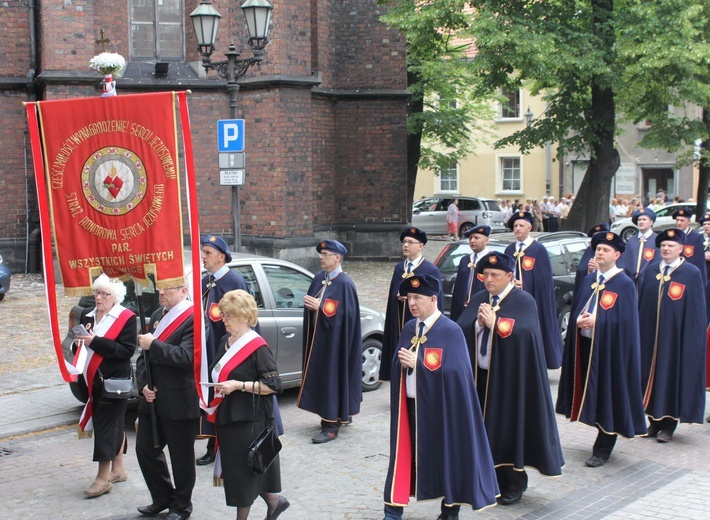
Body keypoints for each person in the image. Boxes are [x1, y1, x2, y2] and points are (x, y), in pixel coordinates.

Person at [383, 274, 498, 519]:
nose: (412, 303)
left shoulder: (450, 331)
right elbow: (396, 363)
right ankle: (392, 510)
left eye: (418, 298)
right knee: (403, 456)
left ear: (433, 299)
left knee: (447, 457)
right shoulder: (408, 328)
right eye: (410, 298)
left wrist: (420, 363)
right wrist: (403, 364)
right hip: (412, 408)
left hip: (442, 411)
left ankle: (450, 509)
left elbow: (458, 374)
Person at [458, 252, 564, 506]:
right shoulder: (480, 298)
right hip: (481, 377)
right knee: (483, 430)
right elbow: (461, 326)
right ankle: (487, 479)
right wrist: (478, 325)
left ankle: (514, 483)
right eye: (486, 275)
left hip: (510, 380)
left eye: (495, 275)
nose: (489, 280)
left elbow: (526, 333)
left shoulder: (523, 300)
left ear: (509, 276)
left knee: (507, 430)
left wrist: (497, 324)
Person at [556, 232, 647, 467]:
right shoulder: (589, 280)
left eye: (606, 250)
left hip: (610, 351)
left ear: (617, 255)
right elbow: (578, 308)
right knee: (592, 391)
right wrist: (579, 320)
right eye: (598, 249)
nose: (600, 252)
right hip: (587, 345)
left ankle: (603, 446)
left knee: (609, 393)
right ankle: (593, 423)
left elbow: (627, 322)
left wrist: (597, 322)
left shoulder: (624, 283)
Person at [207, 290, 289, 520]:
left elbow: (274, 385)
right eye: (223, 314)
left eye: (229, 315)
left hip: (251, 419)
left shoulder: (257, 347)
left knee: (243, 474)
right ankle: (275, 501)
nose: (223, 319)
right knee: (240, 472)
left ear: (244, 316)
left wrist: (239, 385)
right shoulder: (226, 341)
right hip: (229, 416)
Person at [135, 283, 198, 520]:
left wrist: (155, 345)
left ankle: (182, 506)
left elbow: (187, 357)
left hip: (180, 398)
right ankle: (163, 497)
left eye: (168, 289)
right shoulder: (155, 315)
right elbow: (143, 356)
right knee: (145, 450)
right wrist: (143, 385)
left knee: (181, 457)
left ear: (183, 291)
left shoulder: (193, 317)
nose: (161, 293)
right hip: (153, 398)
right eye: (159, 289)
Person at [637, 229, 707, 443]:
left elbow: (696, 310)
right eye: (663, 246)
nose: (666, 249)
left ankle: (669, 424)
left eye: (671, 246)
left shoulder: (691, 273)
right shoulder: (650, 272)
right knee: (650, 377)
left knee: (671, 377)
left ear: (680, 249)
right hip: (650, 337)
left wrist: (692, 339)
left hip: (675, 339)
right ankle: (653, 421)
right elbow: (640, 306)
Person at [74, 274, 137, 497]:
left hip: (114, 381)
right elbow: (80, 346)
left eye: (104, 294)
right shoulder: (88, 315)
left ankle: (103, 478)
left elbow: (126, 351)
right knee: (115, 425)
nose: (98, 298)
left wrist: (95, 342)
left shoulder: (126, 317)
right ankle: (118, 469)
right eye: (96, 293)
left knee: (106, 427)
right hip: (93, 380)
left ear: (115, 297)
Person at [297, 239, 362, 443]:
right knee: (323, 379)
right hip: (320, 340)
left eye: (326, 255)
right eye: (321, 254)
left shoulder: (345, 284)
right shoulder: (319, 278)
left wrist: (321, 307)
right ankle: (337, 415)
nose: (321, 258)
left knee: (333, 379)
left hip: (336, 345)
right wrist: (314, 307)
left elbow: (348, 318)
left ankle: (330, 426)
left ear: (338, 258)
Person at [198, 234, 250, 465]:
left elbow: (246, 319)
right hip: (208, 350)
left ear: (221, 257)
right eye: (203, 251)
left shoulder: (234, 281)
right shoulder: (204, 281)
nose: (203, 256)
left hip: (228, 351)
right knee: (211, 397)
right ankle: (212, 443)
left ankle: (224, 445)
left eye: (208, 253)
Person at [379, 227, 444, 381]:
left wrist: (409, 298)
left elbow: (436, 301)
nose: (405, 245)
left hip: (417, 321)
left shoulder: (430, 270)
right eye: (404, 242)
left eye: (410, 242)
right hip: (398, 321)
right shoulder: (399, 268)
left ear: (420, 246)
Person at [504, 211, 563, 369]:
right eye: (515, 226)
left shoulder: (538, 250)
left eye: (521, 225)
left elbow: (544, 280)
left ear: (529, 227)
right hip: (512, 301)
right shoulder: (509, 250)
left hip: (534, 300)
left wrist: (525, 284)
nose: (518, 229)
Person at [449, 225, 492, 322]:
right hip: (462, 311)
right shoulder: (465, 260)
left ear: (486, 240)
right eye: (470, 238)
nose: (472, 241)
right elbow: (458, 288)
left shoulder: (491, 260)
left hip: (482, 311)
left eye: (476, 238)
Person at [620, 208, 659, 286]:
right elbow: (627, 260)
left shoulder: (656, 239)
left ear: (651, 222)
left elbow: (657, 260)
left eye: (644, 219)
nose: (641, 222)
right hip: (632, 281)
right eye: (639, 220)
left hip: (649, 281)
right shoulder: (632, 240)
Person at [672, 208, 707, 287]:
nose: (679, 223)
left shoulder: (696, 237)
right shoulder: (672, 235)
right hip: (674, 274)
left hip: (689, 276)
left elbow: (700, 262)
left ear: (689, 221)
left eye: (682, 220)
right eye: (677, 220)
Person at [573, 223, 609, 297]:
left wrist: (599, 269)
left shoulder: (612, 251)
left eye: (600, 235)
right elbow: (581, 270)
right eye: (594, 236)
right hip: (588, 293)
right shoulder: (589, 250)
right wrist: (589, 270)